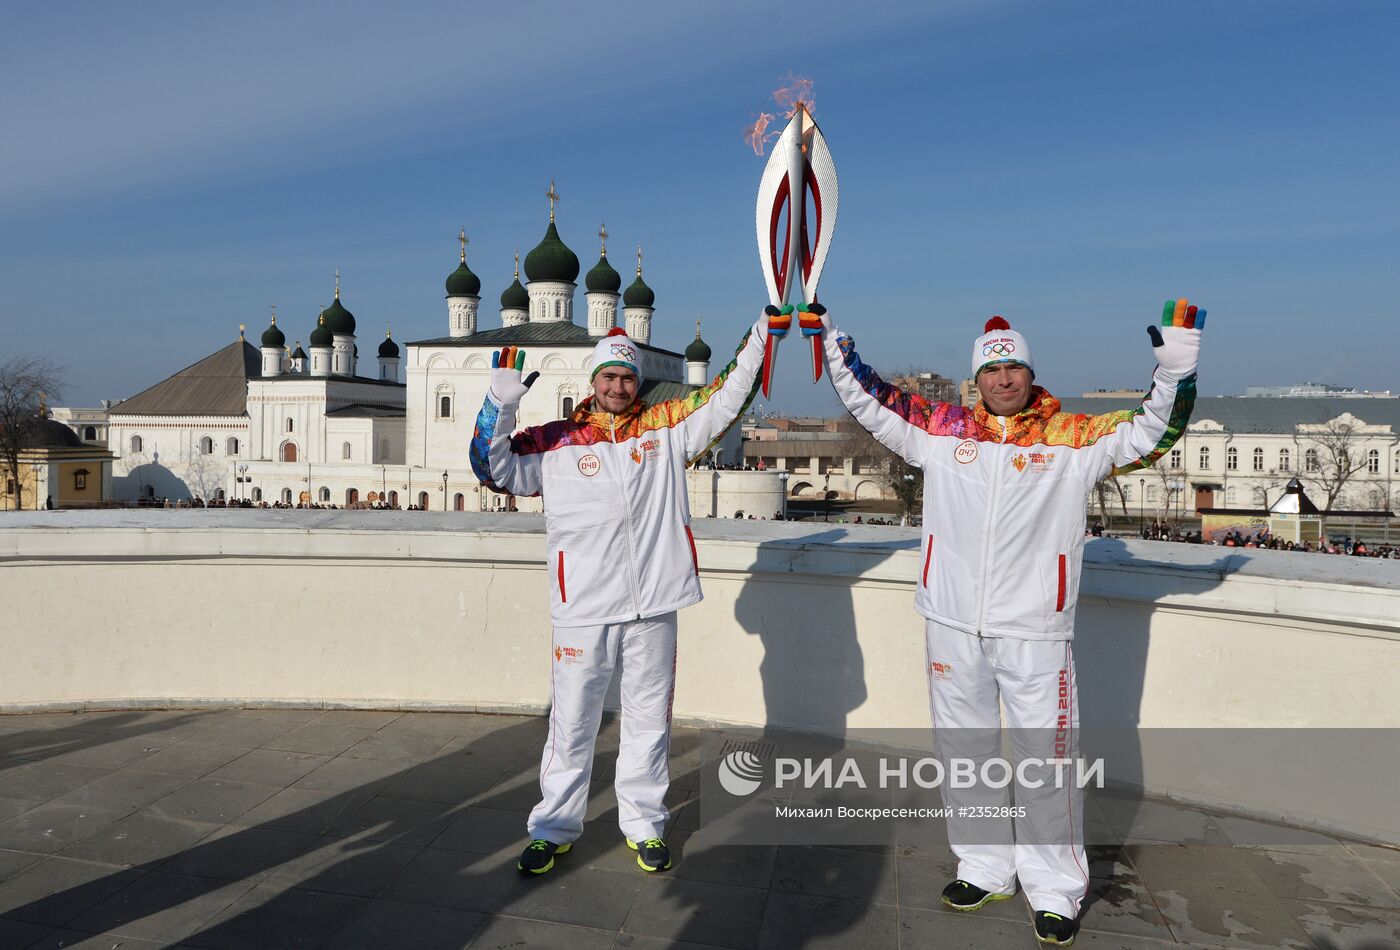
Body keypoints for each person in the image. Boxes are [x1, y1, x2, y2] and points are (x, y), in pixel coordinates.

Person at [817, 298, 1206, 947]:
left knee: (1045, 762)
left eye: (1015, 369)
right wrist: (831, 341)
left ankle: (1054, 885)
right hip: (950, 621)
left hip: (1033, 630)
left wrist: (1175, 373)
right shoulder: (941, 430)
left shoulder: (1072, 439)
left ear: (1029, 373)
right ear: (978, 380)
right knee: (964, 752)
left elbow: (1150, 431)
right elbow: (871, 400)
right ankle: (986, 864)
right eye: (993, 372)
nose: (1004, 381)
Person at [471, 320, 768, 876]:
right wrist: (498, 406)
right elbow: (493, 471)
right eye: (608, 375)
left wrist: (761, 331)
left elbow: (727, 394)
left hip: (654, 602)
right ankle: (553, 827)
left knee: (649, 718)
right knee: (573, 722)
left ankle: (645, 824)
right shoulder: (555, 441)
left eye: (627, 377)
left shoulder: (666, 428)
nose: (618, 387)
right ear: (594, 379)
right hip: (582, 605)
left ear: (637, 382)